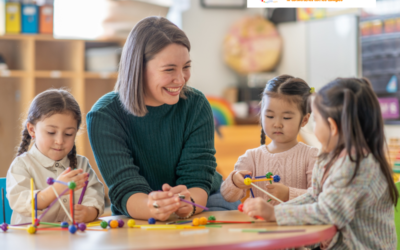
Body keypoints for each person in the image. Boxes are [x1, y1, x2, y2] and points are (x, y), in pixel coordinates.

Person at [87, 16, 239, 222]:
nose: (181, 79)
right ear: (138, 68)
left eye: (186, 66)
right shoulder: (104, 115)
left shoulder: (196, 104)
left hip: (207, 202)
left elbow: (198, 179)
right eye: (169, 69)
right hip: (140, 212)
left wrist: (188, 204)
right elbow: (125, 188)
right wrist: (154, 207)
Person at [242, 77, 398, 249]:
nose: (312, 125)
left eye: (316, 119)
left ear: (332, 126)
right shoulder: (328, 156)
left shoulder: (357, 164)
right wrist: (274, 212)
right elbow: (315, 196)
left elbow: (329, 213)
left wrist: (275, 214)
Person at [7, 89, 105, 224]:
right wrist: (55, 190)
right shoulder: (21, 165)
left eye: (69, 134)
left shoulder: (81, 165)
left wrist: (89, 211)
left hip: (70, 240)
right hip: (30, 240)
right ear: (32, 130)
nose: (59, 141)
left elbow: (95, 194)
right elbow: (20, 201)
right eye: (51, 132)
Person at [221, 75, 318, 205]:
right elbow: (228, 196)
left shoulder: (312, 156)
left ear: (304, 120)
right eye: (270, 116)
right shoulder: (251, 157)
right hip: (261, 224)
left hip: (297, 224)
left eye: (287, 118)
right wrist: (234, 181)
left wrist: (288, 194)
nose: (277, 124)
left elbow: (319, 197)